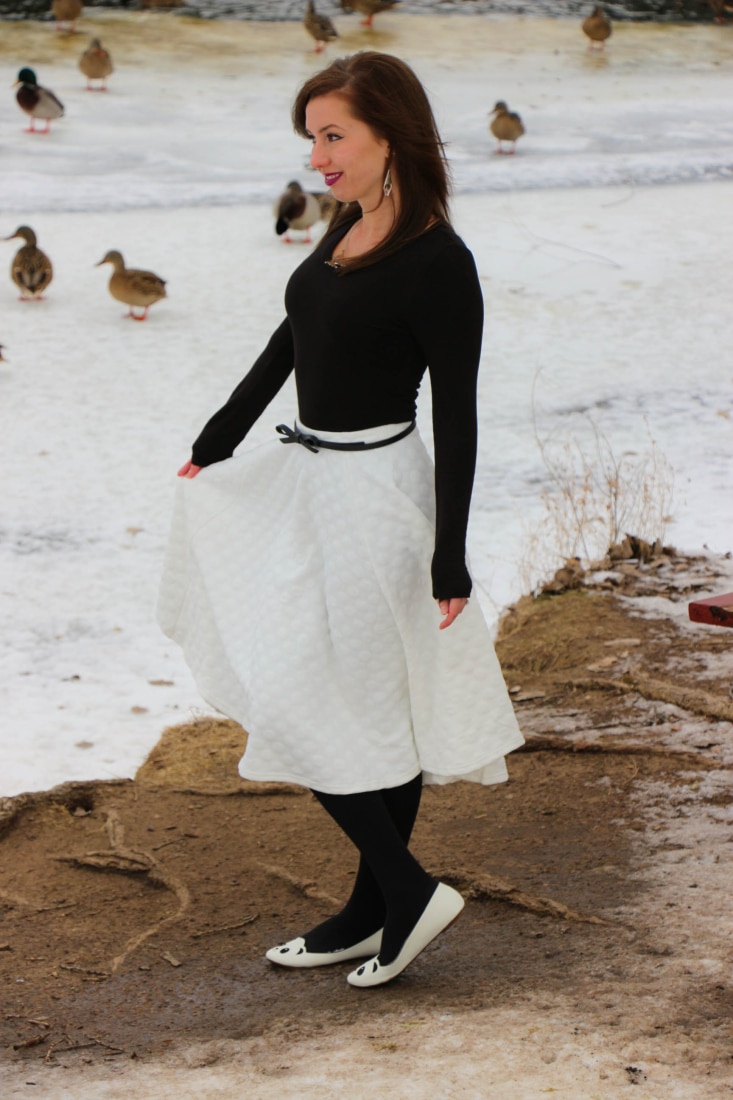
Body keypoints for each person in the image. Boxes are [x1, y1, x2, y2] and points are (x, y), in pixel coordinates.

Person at [157, 51, 524, 989]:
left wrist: (450, 553)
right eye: (310, 138)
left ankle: (401, 892)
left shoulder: (440, 262)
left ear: (388, 136)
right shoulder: (346, 222)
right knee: (342, 696)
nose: (318, 157)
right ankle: (375, 907)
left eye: (332, 137)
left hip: (380, 498)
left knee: (326, 698)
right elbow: (294, 333)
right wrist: (220, 432)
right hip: (307, 477)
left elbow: (460, 411)